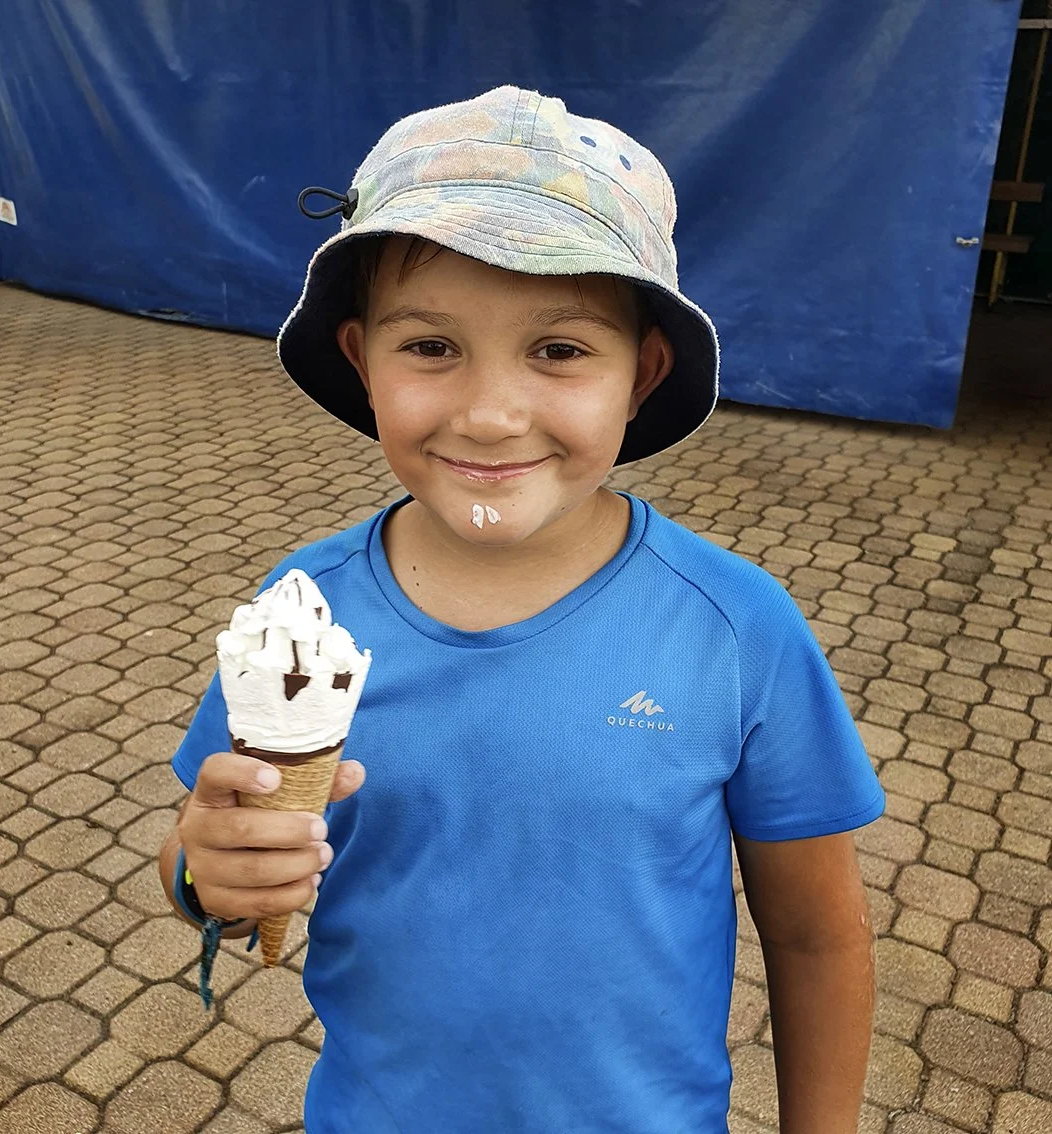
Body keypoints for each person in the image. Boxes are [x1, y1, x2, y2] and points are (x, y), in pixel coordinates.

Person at [160, 85, 885, 1133]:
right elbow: (202, 843)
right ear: (363, 361)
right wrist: (204, 874)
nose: (490, 414)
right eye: (430, 347)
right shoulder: (302, 613)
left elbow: (817, 937)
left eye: (559, 351)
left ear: (644, 374)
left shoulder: (737, 629)